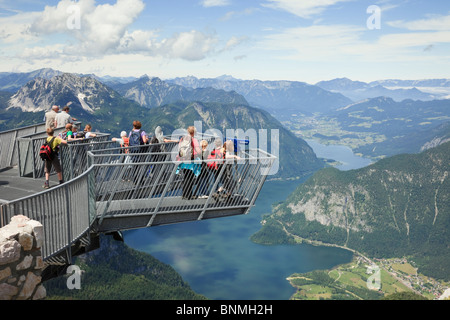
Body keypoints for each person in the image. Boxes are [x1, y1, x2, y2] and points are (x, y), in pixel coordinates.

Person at [179, 126, 201, 200]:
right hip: (191, 161)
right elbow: (198, 150)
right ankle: (189, 195)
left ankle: (184, 194)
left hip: (183, 161)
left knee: (185, 177)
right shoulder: (193, 140)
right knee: (190, 178)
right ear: (193, 133)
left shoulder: (182, 139)